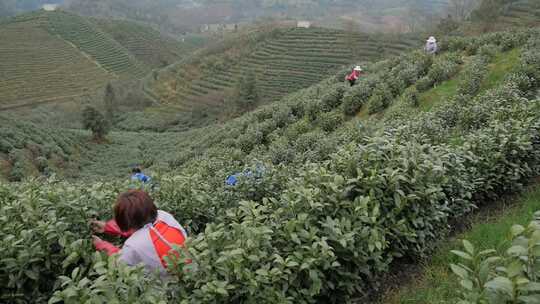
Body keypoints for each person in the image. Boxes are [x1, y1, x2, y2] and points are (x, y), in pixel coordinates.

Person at [91, 190, 188, 274]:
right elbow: (147, 229)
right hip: (190, 268)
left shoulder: (132, 246)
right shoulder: (164, 215)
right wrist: (107, 227)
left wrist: (101, 244)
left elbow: (119, 263)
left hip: (168, 289)